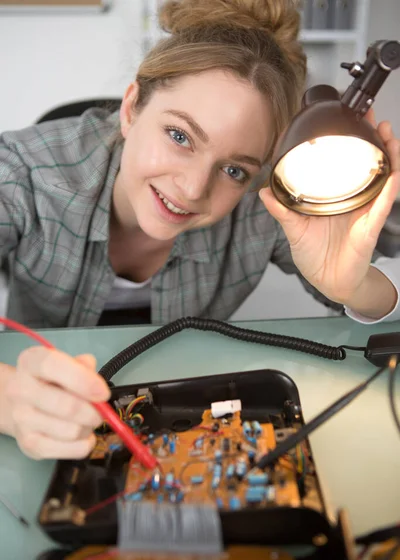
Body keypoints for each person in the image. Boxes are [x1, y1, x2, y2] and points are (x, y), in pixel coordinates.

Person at [0, 0, 399, 460]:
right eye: (179, 136)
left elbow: (380, 296)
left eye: (233, 170)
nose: (191, 190)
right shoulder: (28, 170)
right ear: (131, 108)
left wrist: (354, 285)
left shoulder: (265, 203)